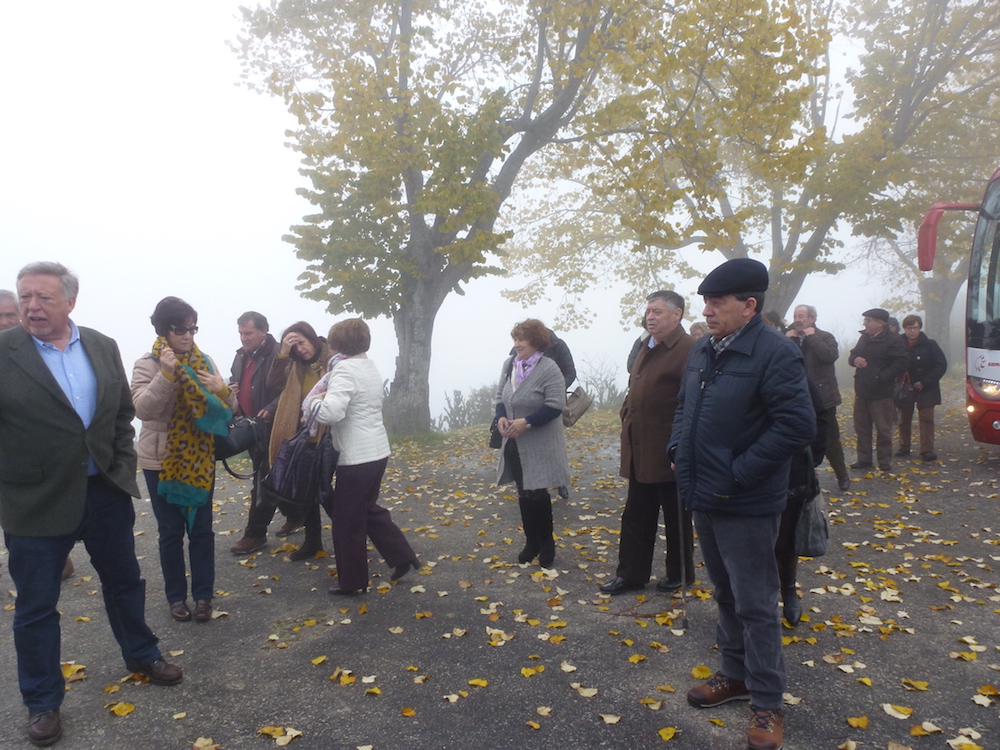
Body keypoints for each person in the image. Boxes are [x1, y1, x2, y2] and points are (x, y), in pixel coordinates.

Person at [0, 262, 181, 747]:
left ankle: (142, 654)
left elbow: (122, 413)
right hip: (34, 501)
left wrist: (120, 467)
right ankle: (42, 701)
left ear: (70, 302)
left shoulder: (102, 345)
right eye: (25, 297)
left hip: (103, 491)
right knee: (36, 607)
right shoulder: (4, 351)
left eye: (43, 297)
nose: (32, 306)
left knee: (125, 582)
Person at [668, 258, 815, 750]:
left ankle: (768, 701)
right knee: (724, 592)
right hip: (702, 494)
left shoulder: (775, 353)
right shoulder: (704, 350)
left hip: (747, 500)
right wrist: (676, 450)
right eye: (706, 302)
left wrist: (740, 472)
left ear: (749, 305)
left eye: (718, 302)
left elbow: (796, 426)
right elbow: (685, 408)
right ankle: (735, 675)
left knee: (756, 603)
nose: (708, 310)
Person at [131, 297, 237, 623]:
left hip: (199, 457)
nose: (188, 335)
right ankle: (176, 597)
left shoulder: (204, 360)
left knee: (202, 530)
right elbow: (143, 410)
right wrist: (166, 375)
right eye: (181, 329)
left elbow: (229, 410)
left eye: (193, 328)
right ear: (165, 330)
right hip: (159, 460)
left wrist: (222, 390)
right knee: (171, 532)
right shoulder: (147, 364)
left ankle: (204, 596)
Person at [311, 319, 419, 593]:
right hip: (376, 451)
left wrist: (313, 401)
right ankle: (403, 556)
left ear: (338, 344)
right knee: (366, 509)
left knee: (347, 522)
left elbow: (331, 413)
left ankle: (352, 582)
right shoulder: (368, 365)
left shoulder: (344, 370)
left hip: (356, 456)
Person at [601, 291, 695, 596]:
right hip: (640, 446)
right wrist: (626, 412)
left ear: (677, 314)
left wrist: (683, 445)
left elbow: (693, 403)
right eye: (648, 312)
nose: (650, 317)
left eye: (657, 312)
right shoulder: (645, 344)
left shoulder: (689, 349)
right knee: (636, 515)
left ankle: (680, 573)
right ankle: (630, 574)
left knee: (675, 515)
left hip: (669, 449)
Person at [0, 289, 77, 581]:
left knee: (52, 562)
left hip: (42, 473)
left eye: (10, 314)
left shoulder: (42, 351)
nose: (6, 321)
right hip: (10, 468)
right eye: (0, 316)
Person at [495, 319, 572, 568]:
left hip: (540, 442)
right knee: (523, 493)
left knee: (538, 492)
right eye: (515, 339)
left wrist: (526, 422)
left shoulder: (549, 368)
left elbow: (555, 405)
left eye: (521, 339)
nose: (516, 344)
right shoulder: (510, 365)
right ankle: (531, 542)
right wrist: (501, 417)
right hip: (514, 442)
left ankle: (546, 543)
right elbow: (500, 396)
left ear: (536, 342)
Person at [228, 311, 305, 554]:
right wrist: (230, 391)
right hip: (251, 428)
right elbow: (235, 379)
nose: (243, 338)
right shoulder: (241, 356)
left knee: (264, 482)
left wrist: (272, 408)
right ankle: (297, 514)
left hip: (276, 427)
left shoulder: (280, 353)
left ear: (263, 331)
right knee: (273, 478)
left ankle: (255, 534)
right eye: (241, 333)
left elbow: (293, 388)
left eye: (248, 333)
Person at [267, 321, 333, 561]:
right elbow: (274, 385)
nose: (300, 351)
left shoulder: (331, 358)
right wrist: (283, 354)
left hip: (333, 433)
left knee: (328, 492)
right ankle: (312, 541)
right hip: (307, 435)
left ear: (312, 338)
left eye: (301, 344)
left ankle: (354, 534)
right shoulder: (295, 366)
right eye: (295, 349)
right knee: (308, 491)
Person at [775, 379, 827, 626]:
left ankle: (788, 588)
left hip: (791, 468)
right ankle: (747, 602)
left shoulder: (791, 370)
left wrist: (812, 456)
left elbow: (821, 413)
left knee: (785, 537)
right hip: (741, 469)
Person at [785, 304, 850, 491]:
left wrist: (811, 337)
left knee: (830, 441)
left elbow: (829, 356)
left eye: (801, 316)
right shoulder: (789, 338)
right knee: (798, 441)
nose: (797, 319)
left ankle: (842, 476)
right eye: (795, 316)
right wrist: (790, 341)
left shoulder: (825, 337)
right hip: (797, 399)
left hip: (823, 398)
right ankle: (803, 479)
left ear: (812, 318)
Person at [848, 308, 908, 472]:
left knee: (883, 429)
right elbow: (852, 355)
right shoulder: (864, 338)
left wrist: (881, 377)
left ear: (880, 323)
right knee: (862, 428)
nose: (865, 323)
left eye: (868, 320)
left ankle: (884, 460)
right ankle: (864, 459)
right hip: (862, 391)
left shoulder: (893, 340)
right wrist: (855, 360)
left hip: (881, 393)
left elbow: (901, 363)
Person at [896, 315, 947, 462]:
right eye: (909, 328)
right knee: (904, 419)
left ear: (920, 328)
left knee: (926, 419)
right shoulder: (898, 345)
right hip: (904, 387)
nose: (912, 331)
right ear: (904, 329)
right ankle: (904, 447)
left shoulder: (930, 345)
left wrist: (925, 381)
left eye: (915, 328)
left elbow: (941, 365)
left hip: (927, 388)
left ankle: (927, 450)